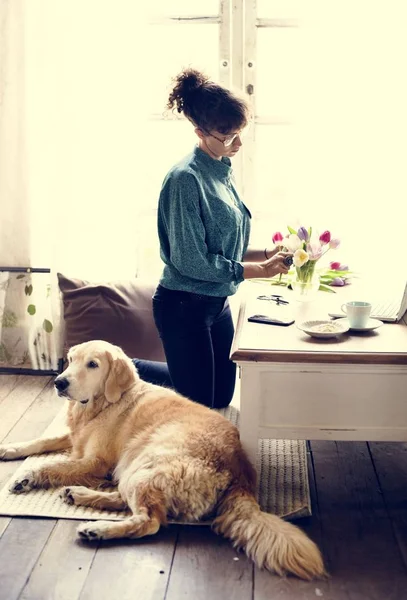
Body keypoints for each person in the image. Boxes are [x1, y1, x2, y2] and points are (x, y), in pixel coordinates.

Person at [133, 68, 292, 409]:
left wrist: (266, 253)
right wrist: (259, 271)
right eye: (228, 136)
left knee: (221, 396)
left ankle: (184, 372)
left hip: (216, 304)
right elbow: (192, 261)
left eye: (240, 134)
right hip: (183, 306)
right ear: (200, 131)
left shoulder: (220, 167)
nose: (236, 144)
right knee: (200, 406)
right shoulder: (184, 180)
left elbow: (221, 248)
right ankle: (127, 370)